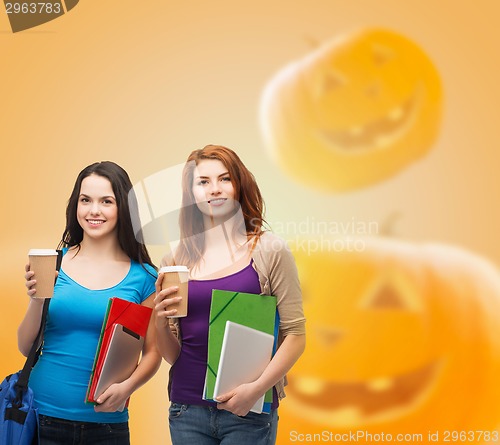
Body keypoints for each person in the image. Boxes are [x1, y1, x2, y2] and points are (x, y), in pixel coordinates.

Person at [154, 145, 306, 444]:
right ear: (191, 193)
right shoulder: (174, 262)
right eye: (203, 182)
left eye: (224, 179)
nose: (214, 190)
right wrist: (159, 322)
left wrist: (257, 389)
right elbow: (174, 355)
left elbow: (296, 335)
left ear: (239, 185)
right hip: (187, 409)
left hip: (249, 411)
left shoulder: (268, 250)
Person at [18, 161, 161, 445]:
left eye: (106, 201)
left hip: (107, 426)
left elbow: (154, 353)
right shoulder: (53, 262)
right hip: (40, 416)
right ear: (76, 206)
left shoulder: (145, 277)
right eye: (85, 200)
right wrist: (36, 300)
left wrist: (128, 388)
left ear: (123, 208)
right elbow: (25, 346)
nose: (94, 210)